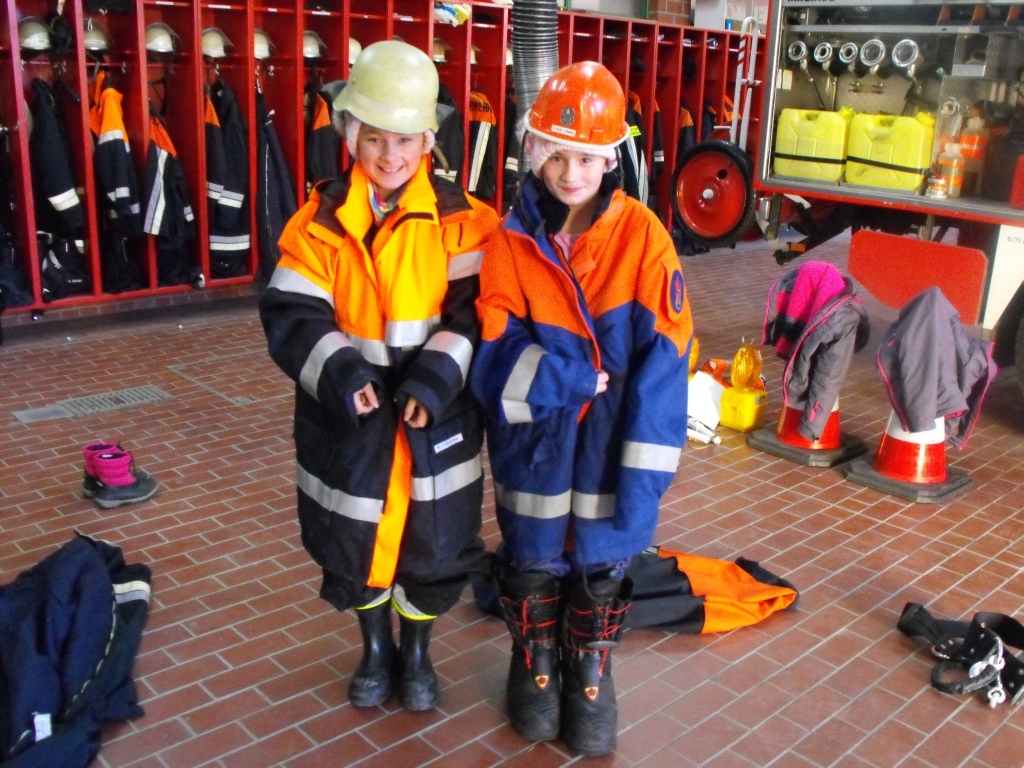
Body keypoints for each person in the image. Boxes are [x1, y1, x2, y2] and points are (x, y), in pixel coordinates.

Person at [259, 40, 498, 712]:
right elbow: (291, 311)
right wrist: (340, 372)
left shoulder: (466, 223)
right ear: (348, 132)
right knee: (353, 539)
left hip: (434, 419)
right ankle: (372, 648)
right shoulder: (318, 222)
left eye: (405, 140)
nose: (390, 157)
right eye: (373, 138)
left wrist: (433, 381)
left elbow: (479, 314)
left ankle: (416, 653)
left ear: (429, 139)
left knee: (436, 544)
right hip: (352, 419)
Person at [470, 62, 693, 756]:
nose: (571, 174)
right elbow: (494, 353)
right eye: (557, 155)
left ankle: (590, 668)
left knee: (601, 567)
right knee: (533, 559)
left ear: (610, 157)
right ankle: (534, 660)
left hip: (611, 447)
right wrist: (565, 381)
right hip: (536, 445)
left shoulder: (646, 239)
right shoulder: (509, 241)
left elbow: (667, 368)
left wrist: (645, 481)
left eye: (588, 158)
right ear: (535, 152)